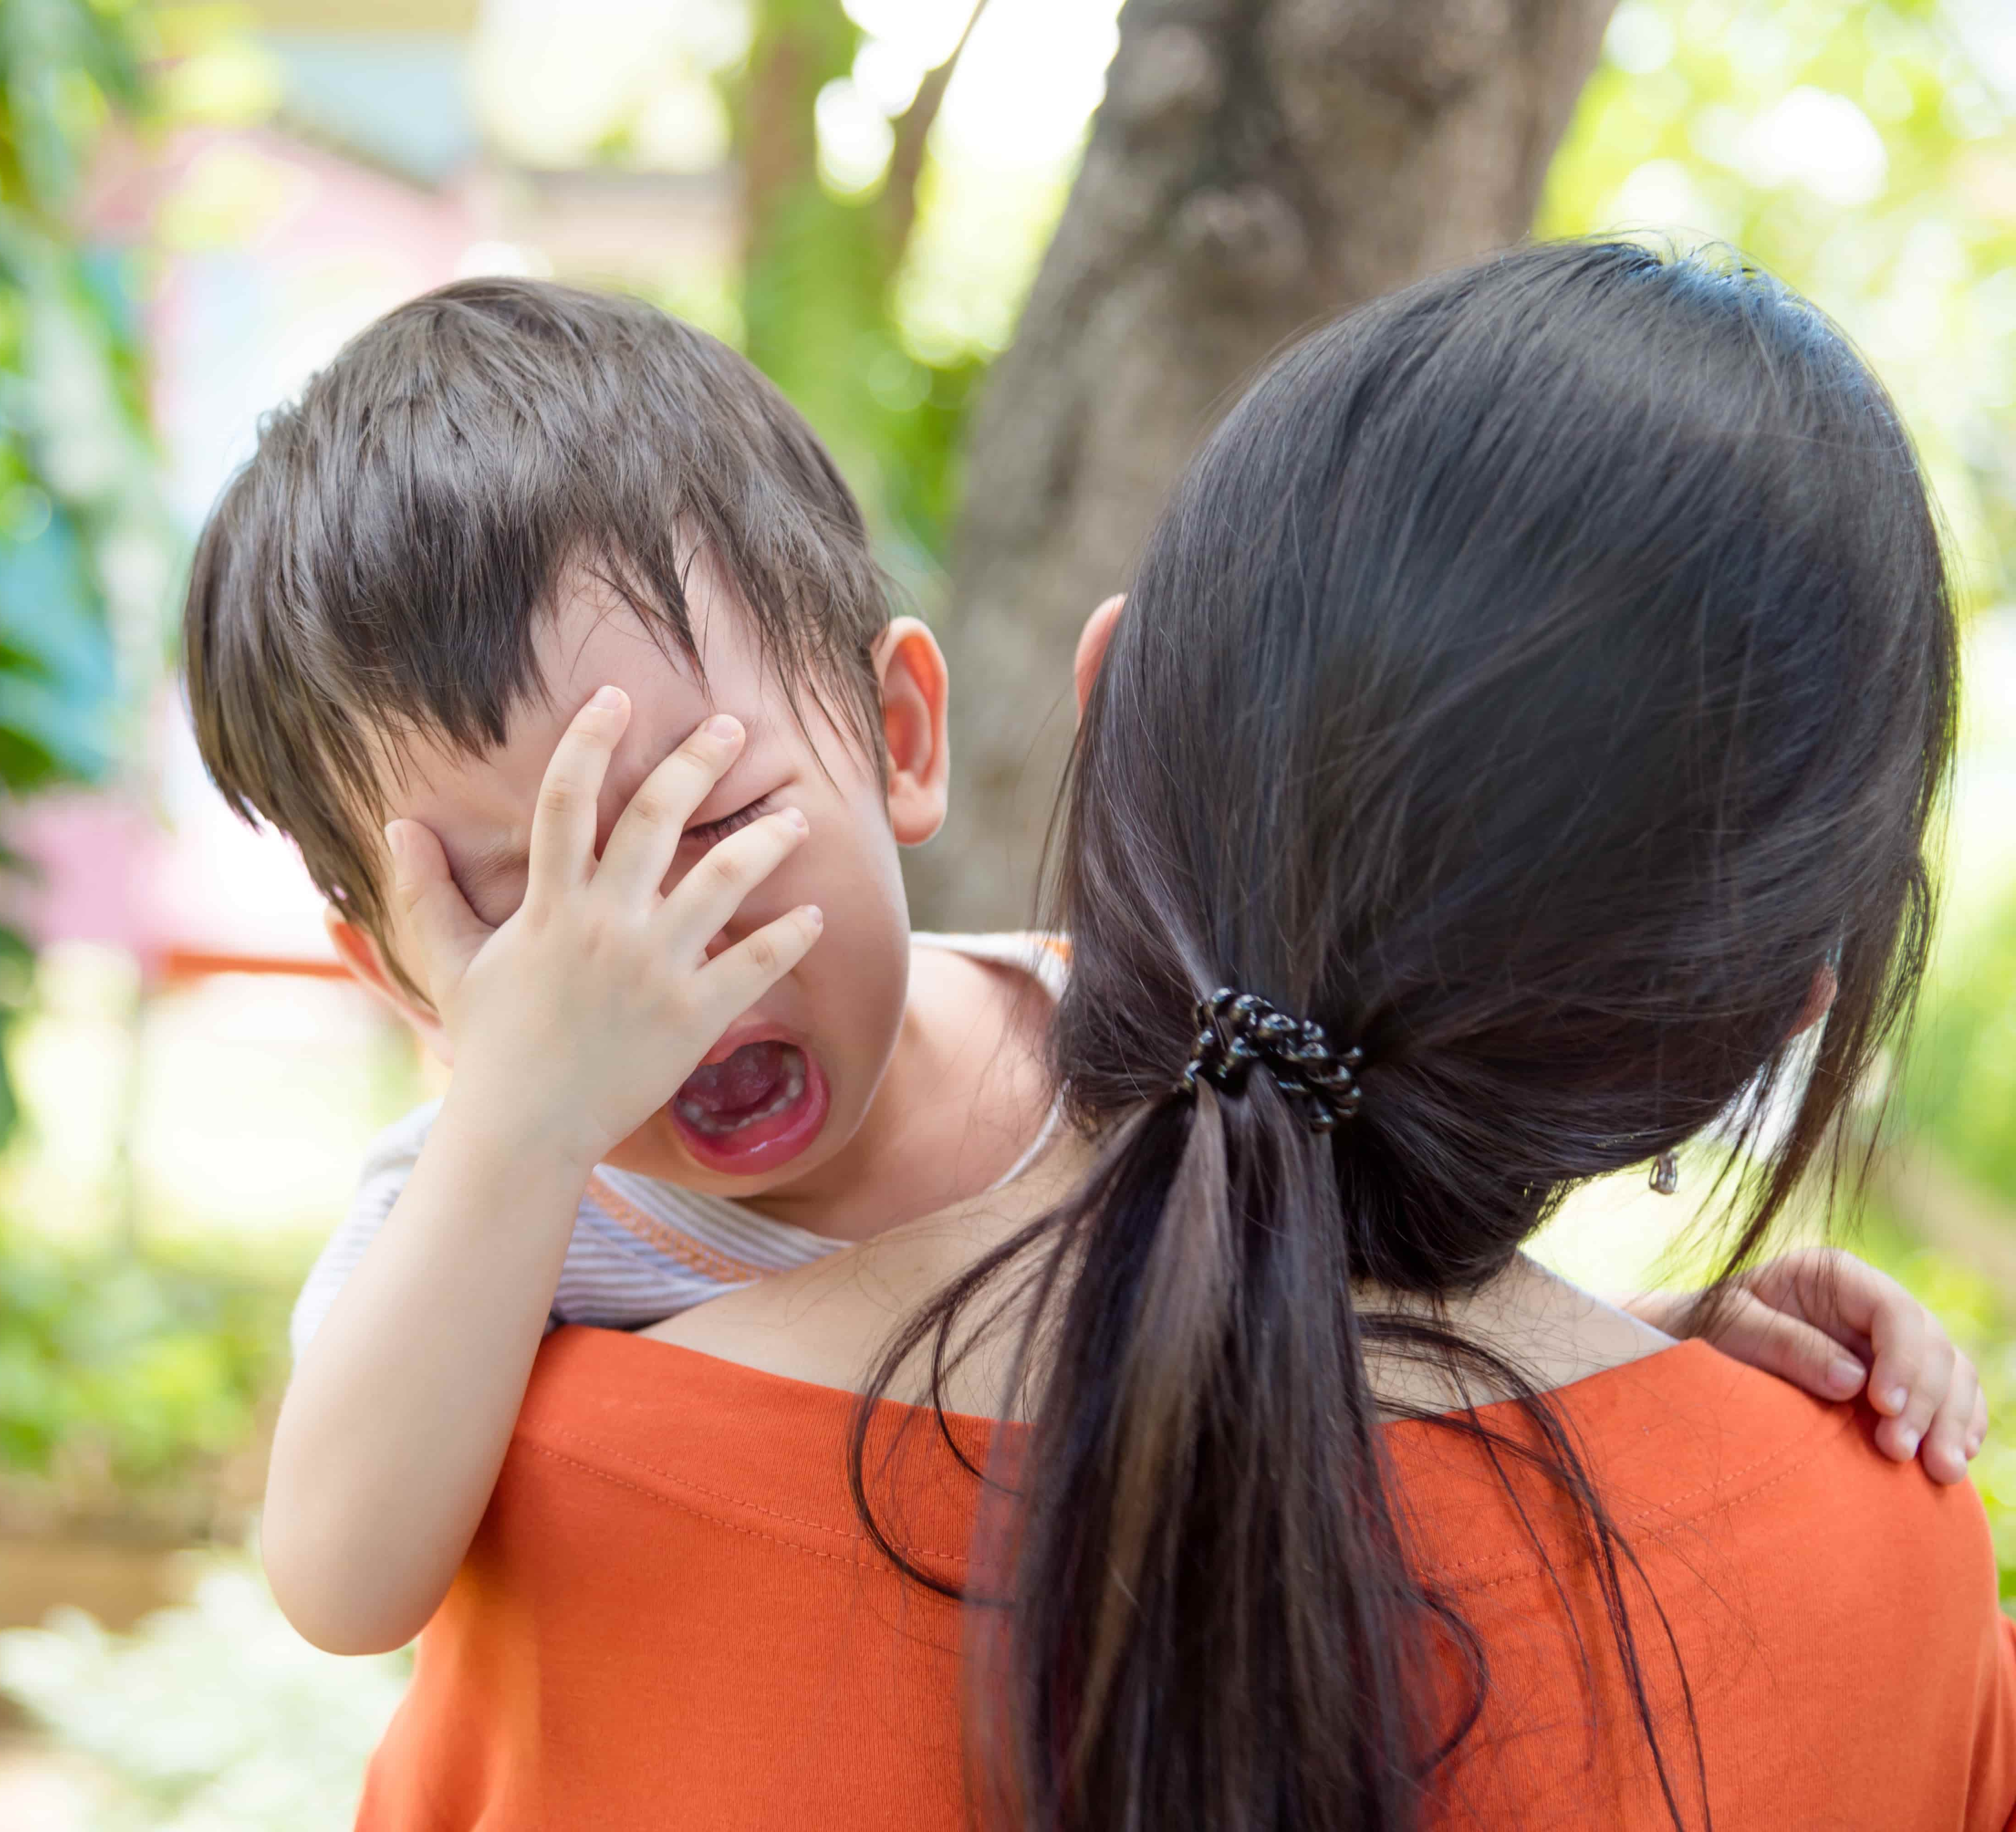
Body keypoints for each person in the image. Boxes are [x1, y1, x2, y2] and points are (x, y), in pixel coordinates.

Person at [350, 243, 2016, 1830]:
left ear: (1106, 689)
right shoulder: (1891, 1565)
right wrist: (1630, 1373)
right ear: (1786, 1001)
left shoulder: (567, 1513)